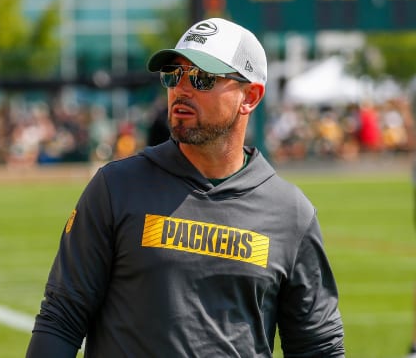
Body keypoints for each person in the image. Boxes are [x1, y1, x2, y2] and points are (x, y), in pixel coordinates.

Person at [26, 18, 345, 357]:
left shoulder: (290, 211)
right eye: (173, 75)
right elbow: (62, 317)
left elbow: (317, 346)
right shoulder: (115, 187)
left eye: (202, 78)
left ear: (250, 96)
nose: (181, 89)